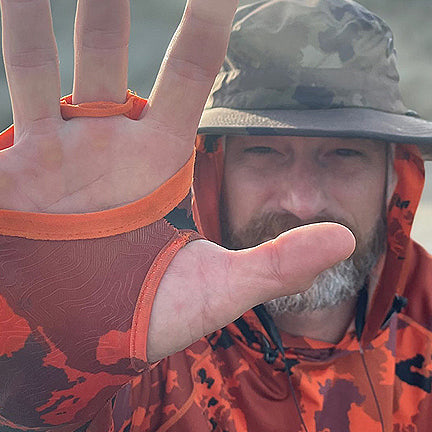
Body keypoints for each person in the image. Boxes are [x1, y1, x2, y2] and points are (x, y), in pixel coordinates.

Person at [0, 0, 431, 431]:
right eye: (264, 152)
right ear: (212, 170)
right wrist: (42, 370)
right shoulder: (146, 329)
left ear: (396, 176)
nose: (302, 203)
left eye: (344, 154)